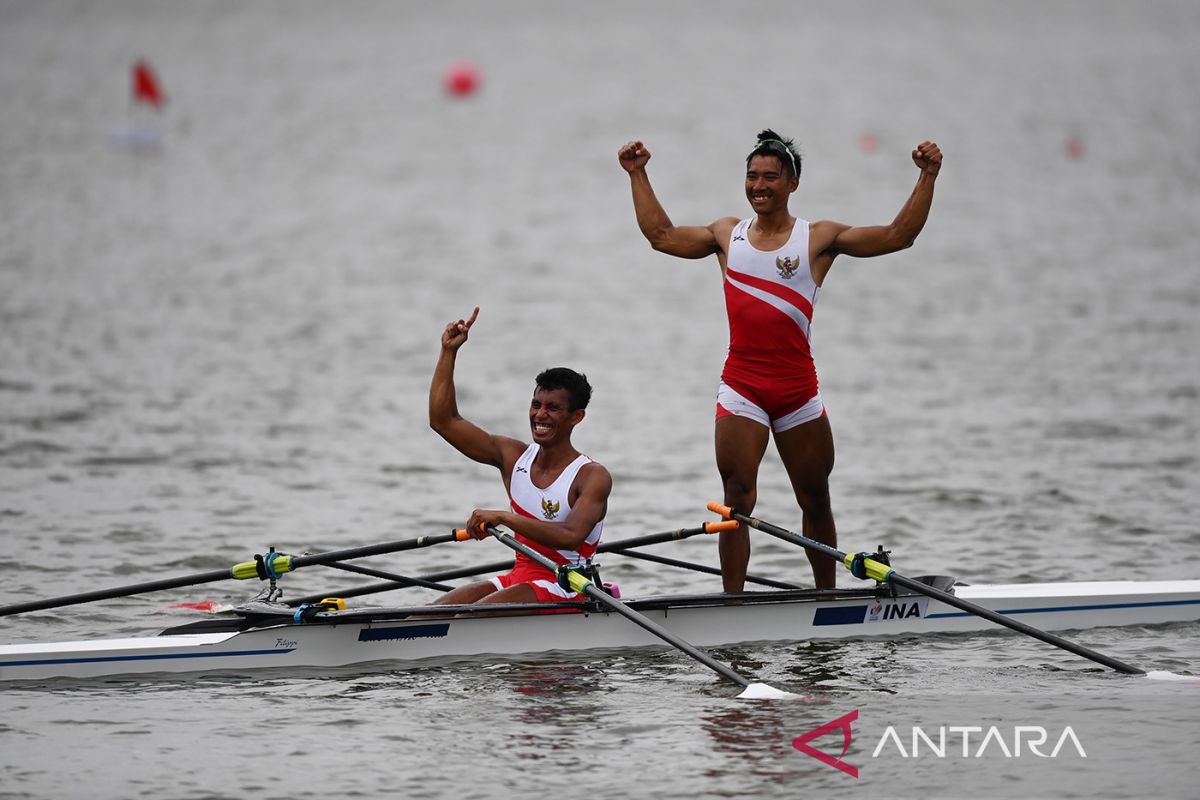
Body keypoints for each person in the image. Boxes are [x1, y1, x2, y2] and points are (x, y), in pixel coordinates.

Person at [617, 130, 942, 591]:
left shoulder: (818, 238)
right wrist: (638, 173)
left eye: (770, 176)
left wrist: (927, 176)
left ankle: (825, 598)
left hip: (796, 390)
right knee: (736, 498)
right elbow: (661, 236)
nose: (758, 185)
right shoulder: (727, 235)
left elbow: (898, 236)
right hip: (742, 385)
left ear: (792, 183)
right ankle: (732, 605)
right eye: (751, 176)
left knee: (815, 497)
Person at [427, 307, 613, 607]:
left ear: (577, 416)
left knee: (472, 617)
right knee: (430, 615)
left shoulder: (592, 476)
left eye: (552, 408)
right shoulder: (512, 456)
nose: (540, 414)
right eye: (536, 404)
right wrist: (448, 352)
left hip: (568, 584)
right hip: (519, 577)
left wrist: (503, 517)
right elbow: (443, 422)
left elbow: (570, 535)